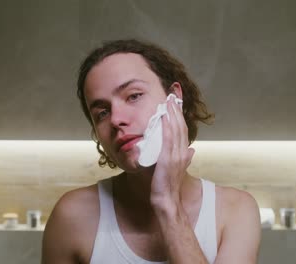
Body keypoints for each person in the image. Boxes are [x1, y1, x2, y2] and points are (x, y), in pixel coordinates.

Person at [42, 39, 261, 264]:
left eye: (134, 96)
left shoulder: (235, 211)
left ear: (174, 98)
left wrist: (168, 204)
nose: (117, 119)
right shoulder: (72, 217)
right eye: (102, 113)